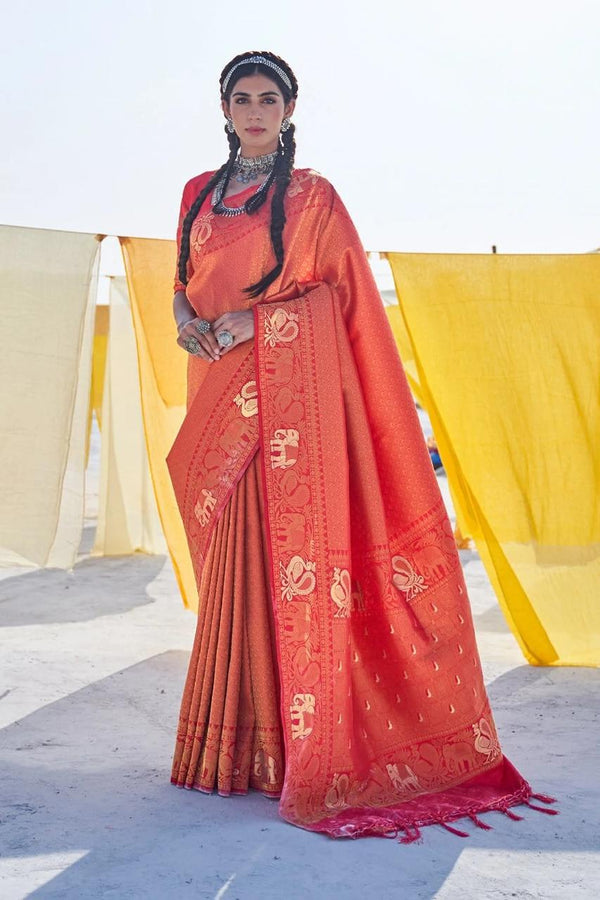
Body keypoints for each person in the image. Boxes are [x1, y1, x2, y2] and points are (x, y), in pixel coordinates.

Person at [166, 50, 555, 841]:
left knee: (287, 567)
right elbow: (183, 278)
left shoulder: (313, 198)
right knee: (234, 568)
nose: (253, 111)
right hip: (215, 396)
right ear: (224, 109)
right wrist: (183, 318)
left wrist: (255, 321)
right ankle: (232, 748)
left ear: (289, 107)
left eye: (267, 98)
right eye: (240, 98)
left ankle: (294, 751)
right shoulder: (197, 194)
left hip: (285, 409)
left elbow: (336, 295)